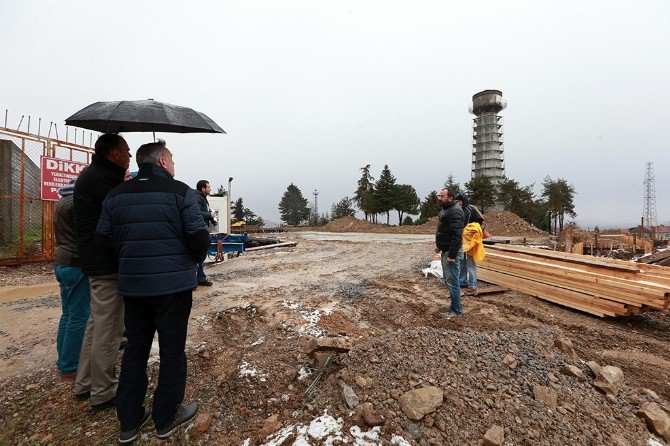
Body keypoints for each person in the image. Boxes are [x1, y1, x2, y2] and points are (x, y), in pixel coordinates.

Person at [96, 140, 209, 443]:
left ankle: (129, 421)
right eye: (172, 159)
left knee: (135, 348)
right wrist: (190, 262)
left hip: (133, 287)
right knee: (172, 351)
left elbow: (104, 239)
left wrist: (129, 262)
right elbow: (200, 238)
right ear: (161, 162)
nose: (174, 165)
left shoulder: (115, 195)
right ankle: (165, 416)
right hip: (173, 288)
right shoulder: (181, 192)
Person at [73, 133, 131, 410]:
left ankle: (85, 383)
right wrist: (127, 187)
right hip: (105, 261)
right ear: (114, 154)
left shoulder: (96, 175)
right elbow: (119, 213)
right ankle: (103, 391)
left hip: (96, 259)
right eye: (127, 151)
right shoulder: (102, 179)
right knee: (108, 329)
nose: (130, 156)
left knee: (96, 324)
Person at [54, 180, 90, 380]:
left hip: (61, 261)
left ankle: (63, 361)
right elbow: (86, 233)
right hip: (75, 262)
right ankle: (70, 365)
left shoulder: (62, 200)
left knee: (67, 314)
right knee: (79, 315)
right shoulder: (77, 203)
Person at [435, 188, 464, 317]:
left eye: (442, 196)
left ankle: (456, 311)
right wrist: (439, 246)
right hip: (446, 250)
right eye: (439, 195)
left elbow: (457, 236)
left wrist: (452, 255)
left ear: (450, 198)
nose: (439, 198)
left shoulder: (455, 212)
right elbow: (445, 231)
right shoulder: (446, 209)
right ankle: (453, 308)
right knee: (449, 281)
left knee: (453, 283)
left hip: (451, 253)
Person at [456, 193, 485, 295]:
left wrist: (474, 232)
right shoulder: (458, 210)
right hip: (461, 241)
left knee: (471, 264)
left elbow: (481, 222)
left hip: (471, 242)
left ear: (463, 201)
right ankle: (462, 281)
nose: (458, 203)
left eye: (459, 201)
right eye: (457, 201)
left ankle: (472, 285)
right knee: (462, 262)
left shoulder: (471, 209)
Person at [194, 179, 217, 286]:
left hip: (203, 230)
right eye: (208, 187)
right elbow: (197, 213)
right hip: (200, 231)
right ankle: (199, 279)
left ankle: (200, 278)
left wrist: (212, 219)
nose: (210, 188)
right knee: (199, 255)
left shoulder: (203, 198)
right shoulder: (198, 198)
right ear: (203, 189)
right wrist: (210, 215)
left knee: (201, 255)